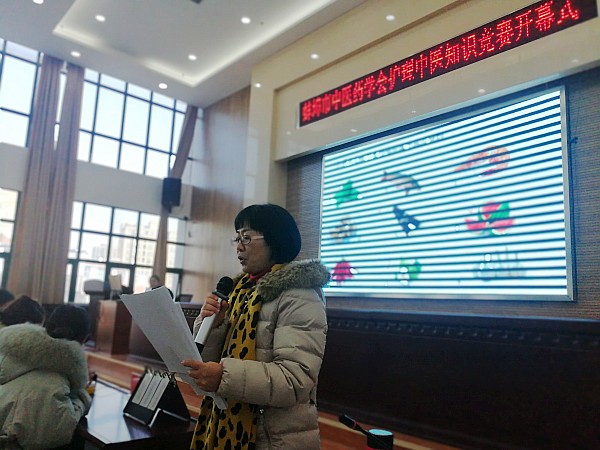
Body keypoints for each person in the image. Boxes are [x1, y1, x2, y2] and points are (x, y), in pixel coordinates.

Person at [182, 204, 330, 449]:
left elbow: (294, 380)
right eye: (237, 238)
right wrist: (214, 327)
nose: (239, 246)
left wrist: (223, 376)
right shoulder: (239, 291)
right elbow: (208, 364)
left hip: (271, 437)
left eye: (247, 238)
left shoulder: (300, 296)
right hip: (224, 421)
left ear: (275, 239)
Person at [0, 304, 92, 449]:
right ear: (83, 340)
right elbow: (56, 430)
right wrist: (82, 397)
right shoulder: (55, 383)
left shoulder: (8, 353)